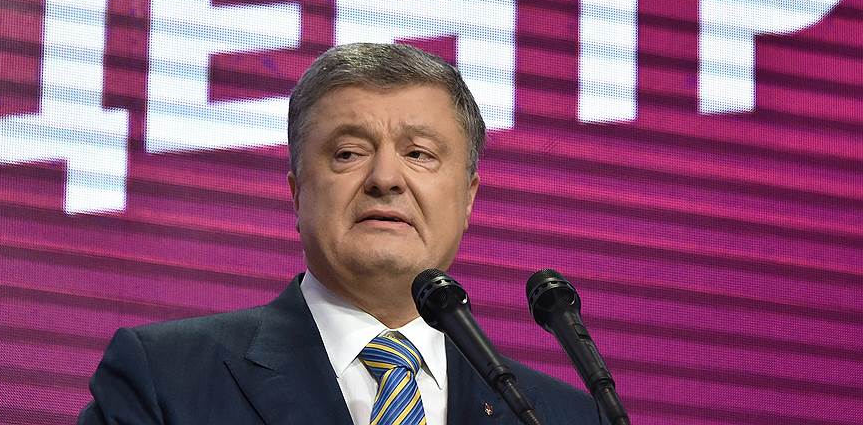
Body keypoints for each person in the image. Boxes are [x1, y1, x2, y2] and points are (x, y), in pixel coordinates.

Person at [78, 43, 601, 424]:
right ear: (297, 192)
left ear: (468, 197)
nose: (385, 179)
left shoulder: (563, 416)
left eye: (419, 154)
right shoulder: (166, 378)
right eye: (348, 153)